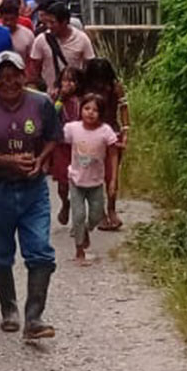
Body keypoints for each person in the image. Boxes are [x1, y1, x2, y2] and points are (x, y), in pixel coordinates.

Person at [0, 51, 62, 339]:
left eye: (14, 75)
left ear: (23, 75)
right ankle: (9, 308)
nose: (9, 83)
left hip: (33, 190)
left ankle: (34, 318)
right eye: (2, 77)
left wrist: (41, 161)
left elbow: (53, 137)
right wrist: (5, 161)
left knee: (40, 250)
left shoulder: (41, 103)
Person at [79, 56, 130, 231]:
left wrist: (125, 132)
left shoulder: (115, 88)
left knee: (112, 175)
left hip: (112, 134)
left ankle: (111, 209)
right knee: (94, 175)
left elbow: (124, 107)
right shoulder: (84, 89)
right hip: (90, 135)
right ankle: (100, 212)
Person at [64, 93, 117, 262]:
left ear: (101, 113)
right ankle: (79, 250)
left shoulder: (105, 131)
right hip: (76, 180)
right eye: (87, 108)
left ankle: (86, 229)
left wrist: (113, 179)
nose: (90, 113)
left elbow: (113, 154)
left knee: (96, 216)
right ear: (81, 110)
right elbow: (58, 141)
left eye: (95, 110)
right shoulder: (72, 128)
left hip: (96, 182)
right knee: (78, 215)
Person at [28, 1, 96, 93]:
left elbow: (90, 67)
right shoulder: (41, 40)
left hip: (74, 96)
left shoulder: (82, 39)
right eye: (47, 22)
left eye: (52, 22)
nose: (49, 26)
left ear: (64, 22)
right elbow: (34, 69)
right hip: (49, 96)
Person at [50, 66, 80, 227]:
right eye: (65, 80)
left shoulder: (82, 100)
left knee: (78, 181)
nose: (68, 84)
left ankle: (77, 211)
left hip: (79, 146)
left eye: (72, 80)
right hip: (61, 145)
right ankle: (64, 202)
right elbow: (51, 115)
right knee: (62, 182)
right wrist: (60, 98)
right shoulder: (55, 97)